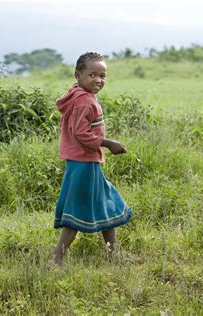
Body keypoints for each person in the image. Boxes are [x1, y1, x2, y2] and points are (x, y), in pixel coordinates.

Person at [50, 52, 133, 266]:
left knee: (106, 203)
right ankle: (57, 258)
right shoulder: (83, 101)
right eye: (92, 75)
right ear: (79, 75)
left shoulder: (78, 94)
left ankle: (112, 253)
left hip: (84, 161)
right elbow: (81, 133)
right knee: (77, 209)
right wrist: (108, 143)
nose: (98, 80)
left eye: (103, 76)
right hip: (84, 162)